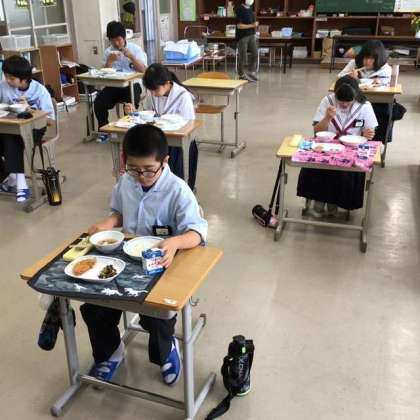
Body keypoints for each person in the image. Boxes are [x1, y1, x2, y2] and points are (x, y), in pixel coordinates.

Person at [82, 124, 207, 385]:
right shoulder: (126, 182)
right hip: (127, 259)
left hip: (164, 263)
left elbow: (197, 232)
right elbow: (118, 212)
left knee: (156, 315)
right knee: (94, 305)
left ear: (165, 161)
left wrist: (175, 242)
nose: (141, 176)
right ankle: (110, 352)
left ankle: (167, 350)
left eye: (149, 169)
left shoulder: (178, 190)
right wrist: (108, 223)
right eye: (134, 169)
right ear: (125, 161)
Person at [297, 76, 378, 217]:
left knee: (346, 168)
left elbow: (370, 132)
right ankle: (319, 200)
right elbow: (316, 131)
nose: (344, 105)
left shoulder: (364, 105)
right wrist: (327, 118)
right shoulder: (327, 101)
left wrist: (367, 134)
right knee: (319, 165)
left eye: (348, 102)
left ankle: (336, 203)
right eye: (341, 101)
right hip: (328, 146)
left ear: (355, 95)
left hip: (352, 148)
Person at [125, 63, 198, 190]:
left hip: (177, 144)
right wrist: (134, 112)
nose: (153, 93)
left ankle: (176, 191)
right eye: (150, 90)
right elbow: (147, 113)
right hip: (157, 139)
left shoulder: (183, 96)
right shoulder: (152, 93)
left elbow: (189, 125)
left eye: (155, 90)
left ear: (167, 83)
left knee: (173, 180)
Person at [0, 55, 54, 202]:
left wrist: (30, 109)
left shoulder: (40, 91)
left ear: (24, 79)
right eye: (6, 76)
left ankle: (20, 182)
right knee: (9, 136)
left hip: (35, 129)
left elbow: (50, 121)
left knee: (12, 138)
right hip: (8, 127)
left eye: (11, 78)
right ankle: (9, 177)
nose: (7, 80)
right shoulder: (3, 86)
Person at [94, 21, 147, 137]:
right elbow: (103, 73)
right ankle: (104, 131)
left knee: (129, 103)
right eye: (113, 40)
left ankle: (128, 132)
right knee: (99, 102)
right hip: (114, 86)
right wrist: (109, 61)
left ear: (124, 37)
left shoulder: (135, 49)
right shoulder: (108, 52)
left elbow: (143, 70)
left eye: (119, 39)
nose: (117, 43)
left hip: (132, 85)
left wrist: (132, 57)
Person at [338, 40, 392, 143]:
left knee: (384, 113)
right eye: (365, 57)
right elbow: (340, 77)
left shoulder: (385, 69)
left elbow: (387, 83)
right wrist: (350, 78)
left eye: (371, 58)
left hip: (378, 103)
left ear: (379, 58)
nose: (367, 61)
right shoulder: (354, 63)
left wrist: (360, 81)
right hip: (355, 100)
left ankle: (378, 142)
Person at [236, 0, 259, 82]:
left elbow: (252, 22)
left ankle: (251, 72)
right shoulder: (240, 9)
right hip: (243, 36)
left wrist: (255, 32)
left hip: (251, 35)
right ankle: (241, 75)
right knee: (243, 56)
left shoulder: (250, 8)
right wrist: (252, 25)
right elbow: (239, 26)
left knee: (255, 53)